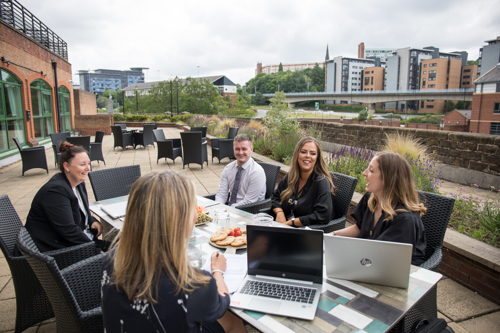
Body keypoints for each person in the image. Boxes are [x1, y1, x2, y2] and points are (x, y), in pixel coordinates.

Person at [101, 171, 245, 333]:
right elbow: (221, 304)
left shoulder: (112, 259)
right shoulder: (194, 283)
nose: (196, 216)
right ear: (180, 220)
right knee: (234, 322)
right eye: (193, 208)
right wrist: (217, 270)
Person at [332, 152, 427, 265]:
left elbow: (387, 260)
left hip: (396, 271)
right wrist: (330, 237)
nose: (364, 173)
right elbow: (360, 228)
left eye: (371, 170)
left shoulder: (405, 219)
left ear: (388, 179)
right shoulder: (371, 199)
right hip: (369, 262)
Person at [24, 142, 105, 252]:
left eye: (88, 163)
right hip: (55, 251)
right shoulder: (55, 191)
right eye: (82, 164)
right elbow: (68, 231)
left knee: (123, 250)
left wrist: (91, 220)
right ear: (66, 166)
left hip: (74, 241)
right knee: (121, 255)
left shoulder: (78, 183)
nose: (88, 168)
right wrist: (96, 250)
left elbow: (79, 210)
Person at [271, 136, 335, 227]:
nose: (307, 156)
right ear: (297, 155)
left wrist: (291, 222)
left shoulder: (321, 182)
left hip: (307, 233)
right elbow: (275, 197)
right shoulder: (291, 177)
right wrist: (279, 212)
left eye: (312, 153)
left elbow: (323, 215)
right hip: (284, 228)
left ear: (317, 158)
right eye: (303, 152)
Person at [215, 134, 266, 207]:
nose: (240, 152)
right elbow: (221, 195)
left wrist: (229, 209)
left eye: (244, 149)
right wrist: (217, 208)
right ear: (233, 149)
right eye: (237, 149)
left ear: (251, 150)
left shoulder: (257, 172)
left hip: (251, 212)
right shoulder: (228, 168)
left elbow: (249, 201)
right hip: (231, 209)